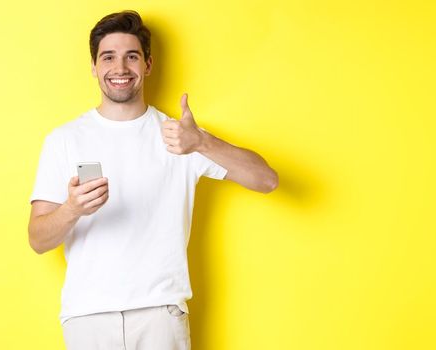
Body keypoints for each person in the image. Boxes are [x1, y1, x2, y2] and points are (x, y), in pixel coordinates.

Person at [27, 10, 278, 350]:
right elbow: (38, 239)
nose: (120, 69)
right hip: (88, 318)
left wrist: (203, 142)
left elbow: (266, 180)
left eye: (132, 57)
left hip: (161, 315)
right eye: (108, 57)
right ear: (93, 66)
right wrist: (72, 208)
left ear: (147, 64)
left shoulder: (180, 136)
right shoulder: (64, 140)